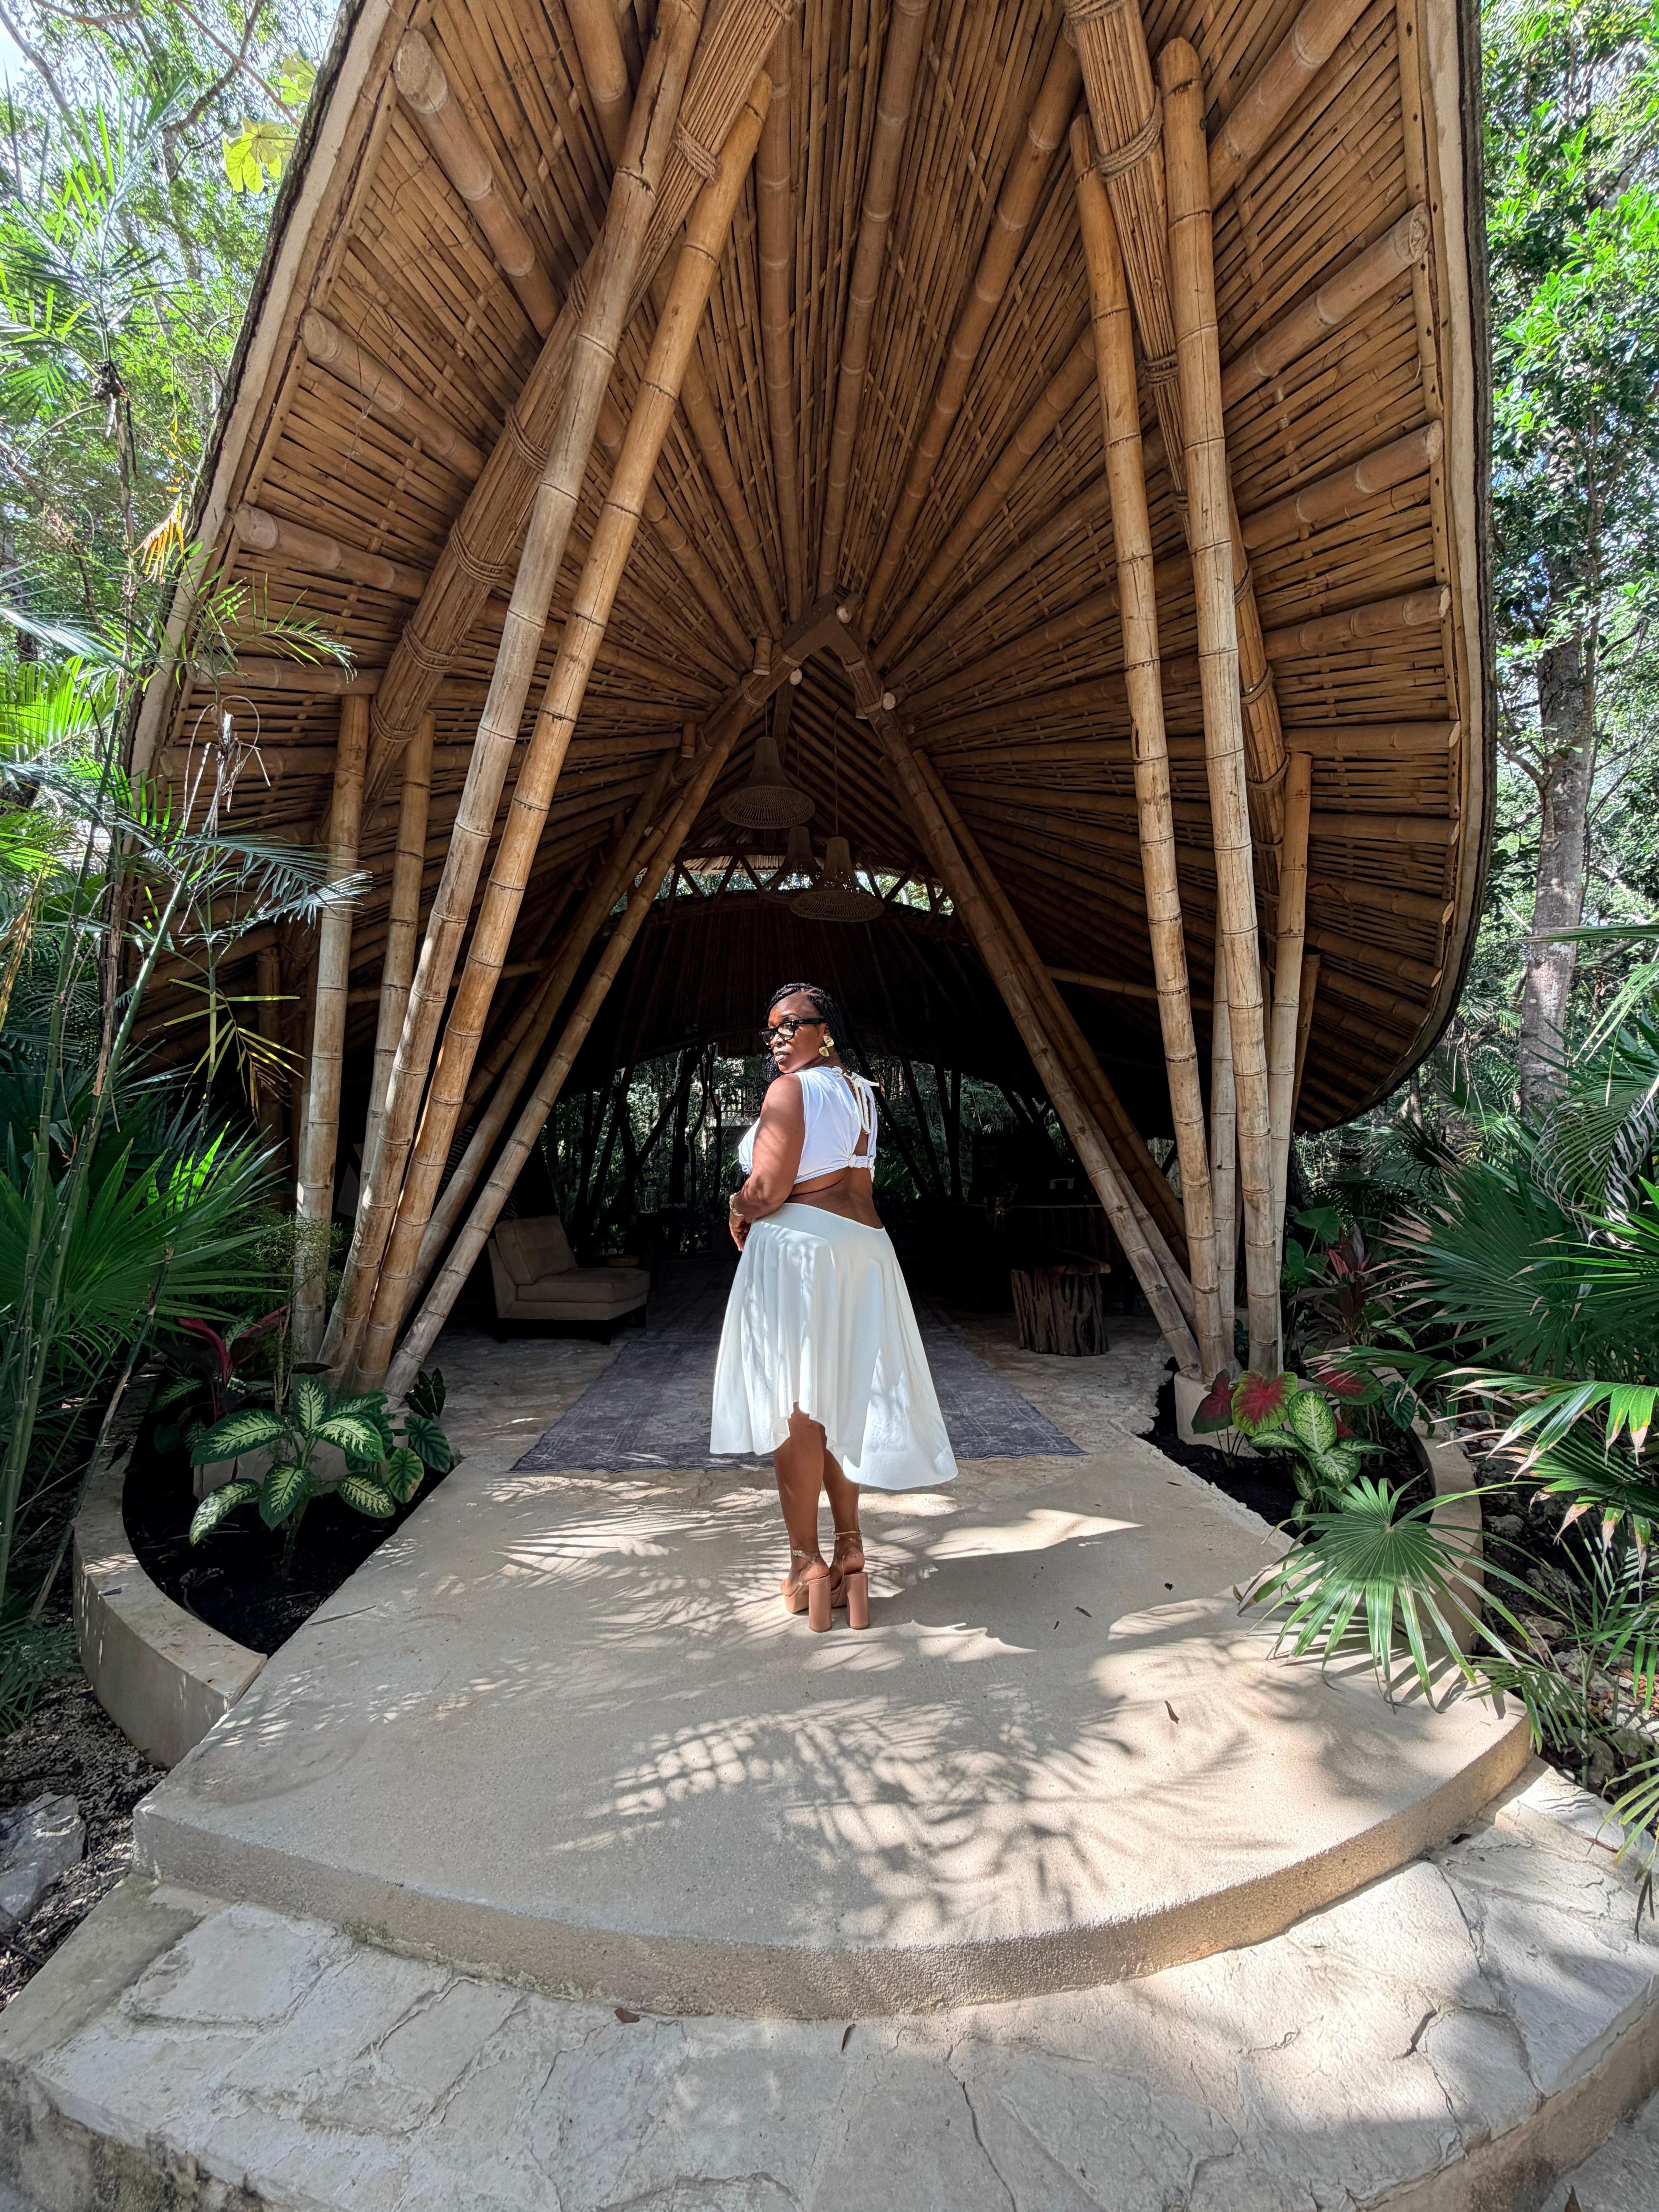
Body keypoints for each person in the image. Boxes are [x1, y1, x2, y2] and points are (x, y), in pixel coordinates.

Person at [710, 983, 957, 1631]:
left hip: (802, 1249)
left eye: (792, 1025)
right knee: (843, 1397)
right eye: (771, 1030)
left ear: (827, 1030)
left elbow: (768, 1188)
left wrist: (736, 1206)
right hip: (864, 1250)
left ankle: (807, 1566)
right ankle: (851, 1551)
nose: (778, 1039)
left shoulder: (789, 1091)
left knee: (798, 1407)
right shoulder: (862, 1093)